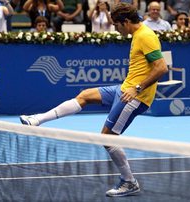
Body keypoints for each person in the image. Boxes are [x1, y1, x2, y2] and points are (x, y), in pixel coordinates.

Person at [20, 2, 168, 197]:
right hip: (123, 88)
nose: (115, 28)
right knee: (85, 96)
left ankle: (129, 182)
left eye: (116, 24)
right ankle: (37, 119)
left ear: (125, 22)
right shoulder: (138, 32)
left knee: (107, 138)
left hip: (134, 96)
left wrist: (137, 88)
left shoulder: (146, 36)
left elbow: (161, 68)